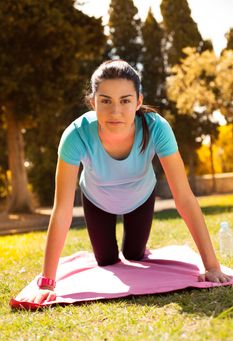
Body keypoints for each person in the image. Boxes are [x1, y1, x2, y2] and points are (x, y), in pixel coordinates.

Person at [18, 59, 232, 304]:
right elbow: (62, 209)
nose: (115, 111)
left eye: (125, 100)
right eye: (106, 100)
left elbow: (184, 197)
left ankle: (137, 249)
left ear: (139, 101)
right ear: (93, 102)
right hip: (97, 200)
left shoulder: (157, 128)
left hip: (141, 197)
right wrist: (47, 281)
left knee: (135, 254)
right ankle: (109, 253)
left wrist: (212, 266)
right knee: (106, 260)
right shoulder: (75, 135)